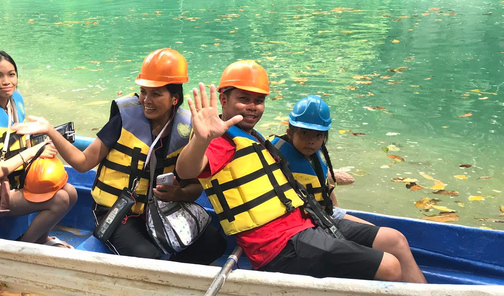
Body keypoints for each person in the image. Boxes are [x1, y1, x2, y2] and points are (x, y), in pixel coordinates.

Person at [176, 60, 426, 282]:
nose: (252, 107)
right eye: (244, 99)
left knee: (395, 240)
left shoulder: (251, 136)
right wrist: (200, 139)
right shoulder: (220, 141)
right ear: (223, 100)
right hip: (278, 248)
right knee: (390, 267)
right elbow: (187, 170)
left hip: (306, 223)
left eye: (259, 101)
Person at [14, 48, 227, 264]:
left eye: (156, 93)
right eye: (144, 91)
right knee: (148, 258)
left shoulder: (188, 127)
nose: (147, 100)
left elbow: (195, 189)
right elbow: (82, 163)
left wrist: (178, 193)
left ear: (174, 98)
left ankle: (171, 274)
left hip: (160, 211)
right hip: (116, 211)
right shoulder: (124, 119)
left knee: (215, 243)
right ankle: (159, 273)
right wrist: (50, 130)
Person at [272, 95, 426, 282]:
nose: (311, 141)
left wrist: (335, 205)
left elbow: (326, 193)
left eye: (318, 135)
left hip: (325, 215)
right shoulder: (274, 155)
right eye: (304, 133)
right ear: (290, 132)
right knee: (382, 254)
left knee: (395, 239)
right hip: (303, 226)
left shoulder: (316, 155)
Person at [0, 50, 78, 247]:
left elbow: (18, 142)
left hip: (11, 184)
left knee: (71, 192)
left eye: (11, 74)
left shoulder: (15, 101)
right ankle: (25, 247)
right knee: (60, 200)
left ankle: (42, 239)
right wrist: (32, 152)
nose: (7, 81)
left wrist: (42, 147)